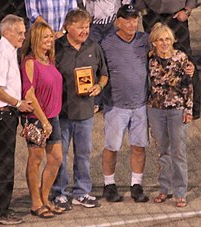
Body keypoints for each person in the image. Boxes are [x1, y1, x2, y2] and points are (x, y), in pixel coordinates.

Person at [51, 9, 108, 210]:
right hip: (61, 112)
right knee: (60, 154)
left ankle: (82, 192)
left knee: (83, 154)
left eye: (87, 26)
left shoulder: (94, 46)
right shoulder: (55, 47)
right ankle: (59, 192)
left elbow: (104, 75)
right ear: (68, 27)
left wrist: (98, 87)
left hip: (85, 113)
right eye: (80, 27)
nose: (85, 31)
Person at [0, 14, 33, 225]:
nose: (23, 36)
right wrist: (17, 102)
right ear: (6, 32)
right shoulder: (1, 53)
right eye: (19, 32)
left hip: (1, 114)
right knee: (3, 163)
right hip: (2, 114)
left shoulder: (9, 51)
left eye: (23, 31)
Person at [101, 4, 149, 203]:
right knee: (112, 146)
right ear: (117, 22)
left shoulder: (144, 40)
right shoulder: (106, 44)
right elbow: (100, 72)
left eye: (134, 19)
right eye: (127, 19)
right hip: (115, 105)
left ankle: (136, 184)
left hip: (141, 105)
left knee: (139, 146)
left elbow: (166, 51)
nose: (132, 23)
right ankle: (109, 184)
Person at [147, 22, 194, 207]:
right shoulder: (149, 59)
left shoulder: (181, 58)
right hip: (155, 109)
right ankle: (164, 189)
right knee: (162, 152)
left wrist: (188, 110)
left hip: (177, 110)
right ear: (154, 42)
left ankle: (180, 191)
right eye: (161, 39)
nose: (165, 43)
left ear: (172, 40)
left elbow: (188, 86)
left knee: (178, 152)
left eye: (168, 39)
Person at [20, 22, 63, 218]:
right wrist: (44, 121)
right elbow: (30, 94)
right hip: (36, 118)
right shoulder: (30, 62)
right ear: (36, 39)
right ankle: (35, 203)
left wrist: (50, 119)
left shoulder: (49, 59)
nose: (49, 40)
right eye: (45, 37)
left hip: (53, 116)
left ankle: (45, 198)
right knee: (36, 160)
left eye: (50, 36)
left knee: (56, 158)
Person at [134, 0, 201, 119]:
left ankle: (194, 106)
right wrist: (144, 11)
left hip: (177, 17)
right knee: (154, 59)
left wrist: (187, 10)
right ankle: (158, 102)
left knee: (186, 60)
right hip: (152, 15)